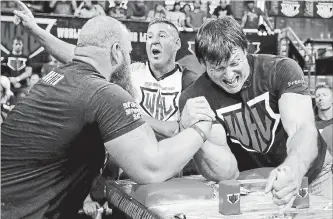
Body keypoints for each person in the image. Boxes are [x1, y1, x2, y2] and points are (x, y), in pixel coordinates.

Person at [2, 1, 215, 219]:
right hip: (140, 170)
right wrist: (200, 128)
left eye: (161, 36)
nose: (153, 42)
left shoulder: (55, 80)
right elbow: (153, 168)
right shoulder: (117, 84)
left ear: (177, 43)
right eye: (149, 36)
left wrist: (35, 30)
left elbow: (85, 56)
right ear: (116, 53)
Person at [179, 17, 328, 210]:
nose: (229, 76)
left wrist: (295, 166)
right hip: (253, 185)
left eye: (235, 63)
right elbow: (227, 172)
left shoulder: (281, 69)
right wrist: (192, 134)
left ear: (245, 49)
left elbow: (303, 128)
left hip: (313, 173)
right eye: (217, 68)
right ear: (203, 63)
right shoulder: (196, 98)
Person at [1, 36, 33, 103]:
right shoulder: (6, 58)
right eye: (16, 44)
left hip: (22, 87)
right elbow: (2, 74)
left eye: (20, 44)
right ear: (12, 45)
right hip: (8, 87)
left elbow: (29, 72)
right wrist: (10, 80)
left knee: (22, 101)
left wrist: (17, 79)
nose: (18, 46)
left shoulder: (26, 58)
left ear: (22, 45)